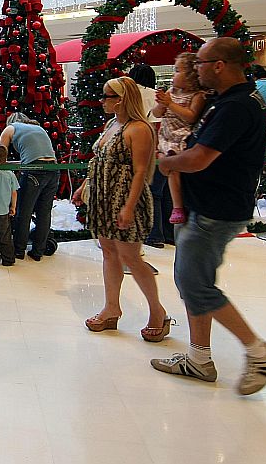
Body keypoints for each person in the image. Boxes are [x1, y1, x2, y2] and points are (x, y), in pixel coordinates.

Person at [152, 38, 266, 395]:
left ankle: (259, 351)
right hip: (204, 205)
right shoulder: (226, 101)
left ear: (220, 65)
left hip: (215, 209)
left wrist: (166, 163)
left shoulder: (236, 107)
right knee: (192, 281)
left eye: (201, 63)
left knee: (195, 284)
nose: (195, 69)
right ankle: (199, 358)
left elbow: (197, 159)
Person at [72, 77, 170, 342]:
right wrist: (84, 186)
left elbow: (140, 171)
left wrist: (128, 206)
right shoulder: (111, 125)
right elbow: (98, 161)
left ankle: (157, 311)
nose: (102, 101)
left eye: (107, 96)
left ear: (122, 98)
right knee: (109, 253)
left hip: (126, 197)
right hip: (103, 197)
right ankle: (112, 307)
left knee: (132, 258)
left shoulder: (139, 128)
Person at [151, 53, 207, 232]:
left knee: (174, 170)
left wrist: (170, 104)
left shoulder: (197, 96)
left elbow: (191, 117)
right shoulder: (171, 92)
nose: (173, 75)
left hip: (180, 136)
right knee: (166, 172)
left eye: (177, 70)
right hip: (165, 136)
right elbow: (157, 113)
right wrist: (162, 104)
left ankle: (177, 206)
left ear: (191, 75)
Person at [0, 112, 58, 261]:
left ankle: (19, 250)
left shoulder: (10, 128)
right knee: (44, 213)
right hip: (53, 170)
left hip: (34, 172)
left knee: (23, 212)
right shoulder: (38, 128)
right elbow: (41, 154)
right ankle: (38, 251)